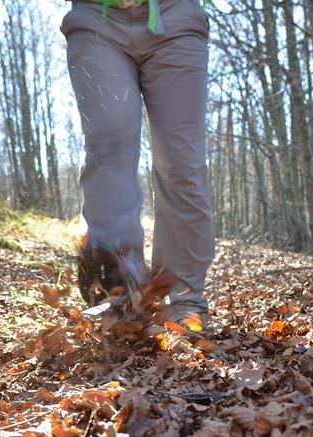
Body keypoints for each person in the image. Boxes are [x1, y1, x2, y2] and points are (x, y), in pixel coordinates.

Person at [62, 0, 214, 328]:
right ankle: (117, 292)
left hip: (175, 17)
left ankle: (184, 297)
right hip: (95, 19)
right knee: (108, 143)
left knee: (181, 161)